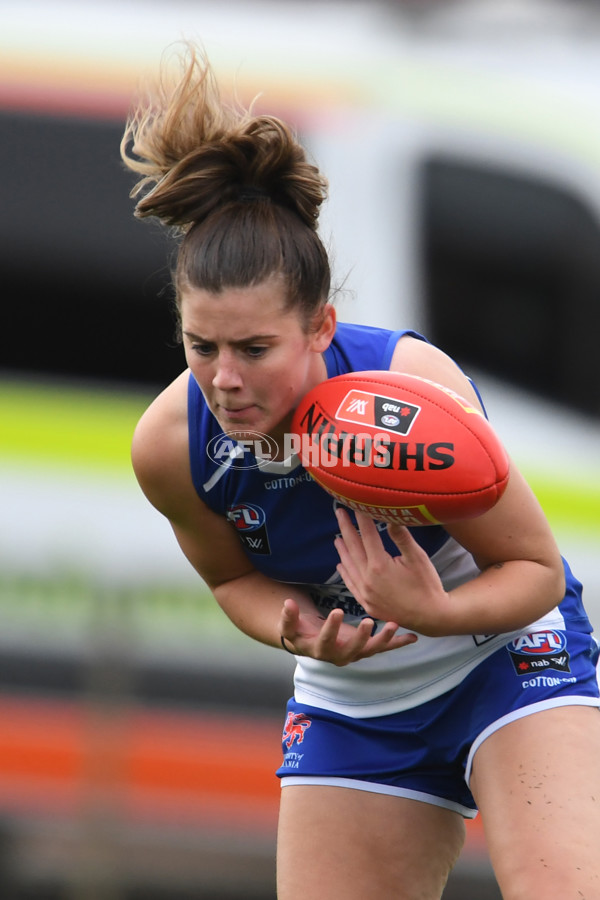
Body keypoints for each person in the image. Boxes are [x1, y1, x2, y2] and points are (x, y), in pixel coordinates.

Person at [120, 43, 600, 899]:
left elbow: (534, 570)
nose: (225, 379)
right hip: (359, 696)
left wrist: (436, 612)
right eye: (202, 347)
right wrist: (300, 630)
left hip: (505, 652)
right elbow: (233, 582)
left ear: (320, 327)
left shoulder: (410, 386)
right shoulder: (169, 445)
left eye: (255, 349)